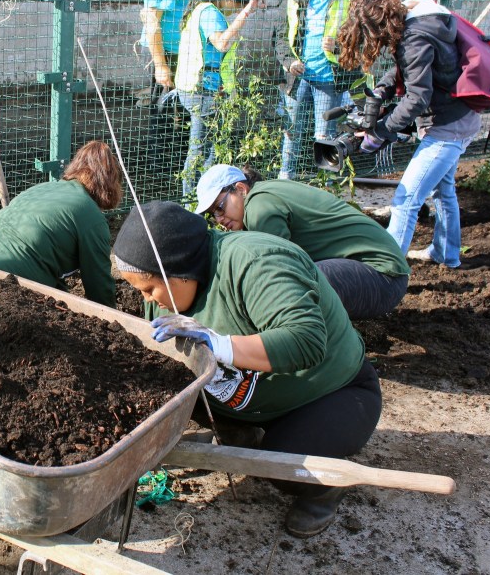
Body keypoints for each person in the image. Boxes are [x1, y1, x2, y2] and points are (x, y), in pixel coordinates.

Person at [112, 201, 382, 537]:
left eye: (150, 288)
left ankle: (323, 492)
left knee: (282, 465)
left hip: (332, 393)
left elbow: (306, 341)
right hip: (253, 397)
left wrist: (221, 345)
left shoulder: (256, 262)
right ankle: (241, 432)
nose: (148, 299)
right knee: (172, 380)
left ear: (177, 268)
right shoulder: (171, 293)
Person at [337, 0, 481, 268]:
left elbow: (418, 97)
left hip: (447, 128)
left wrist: (380, 132)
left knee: (406, 199)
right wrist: (381, 90)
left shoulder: (414, 39)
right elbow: (409, 69)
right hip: (460, 118)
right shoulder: (421, 22)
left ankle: (386, 272)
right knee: (443, 191)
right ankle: (446, 254)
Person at [193, 163, 409, 319]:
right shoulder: (265, 194)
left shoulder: (260, 207)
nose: (219, 219)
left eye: (220, 207)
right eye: (213, 214)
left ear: (240, 189)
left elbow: (272, 272)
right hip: (374, 274)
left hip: (383, 277)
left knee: (286, 285)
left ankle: (331, 358)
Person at [0, 140, 122, 306]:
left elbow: (43, 259)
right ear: (109, 184)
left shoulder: (43, 188)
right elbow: (99, 285)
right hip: (1, 283)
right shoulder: (92, 217)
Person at [275, 0, 366, 180]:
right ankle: (286, 181)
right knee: (291, 132)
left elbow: (363, 38)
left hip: (329, 79)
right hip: (300, 77)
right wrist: (289, 62)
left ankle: (326, 186)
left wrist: (339, 46)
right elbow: (282, 33)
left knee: (324, 138)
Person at [174, 0, 270, 196]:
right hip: (200, 91)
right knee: (204, 151)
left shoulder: (204, 10)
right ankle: (195, 199)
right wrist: (246, 13)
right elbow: (222, 43)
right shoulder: (210, 13)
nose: (236, 11)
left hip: (197, 87)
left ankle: (200, 197)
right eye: (237, 5)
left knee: (204, 148)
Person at [140, 0, 212, 168]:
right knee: (166, 112)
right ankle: (161, 170)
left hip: (195, 51)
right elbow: (151, 20)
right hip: (172, 52)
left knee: (189, 111)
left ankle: (186, 164)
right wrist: (161, 65)